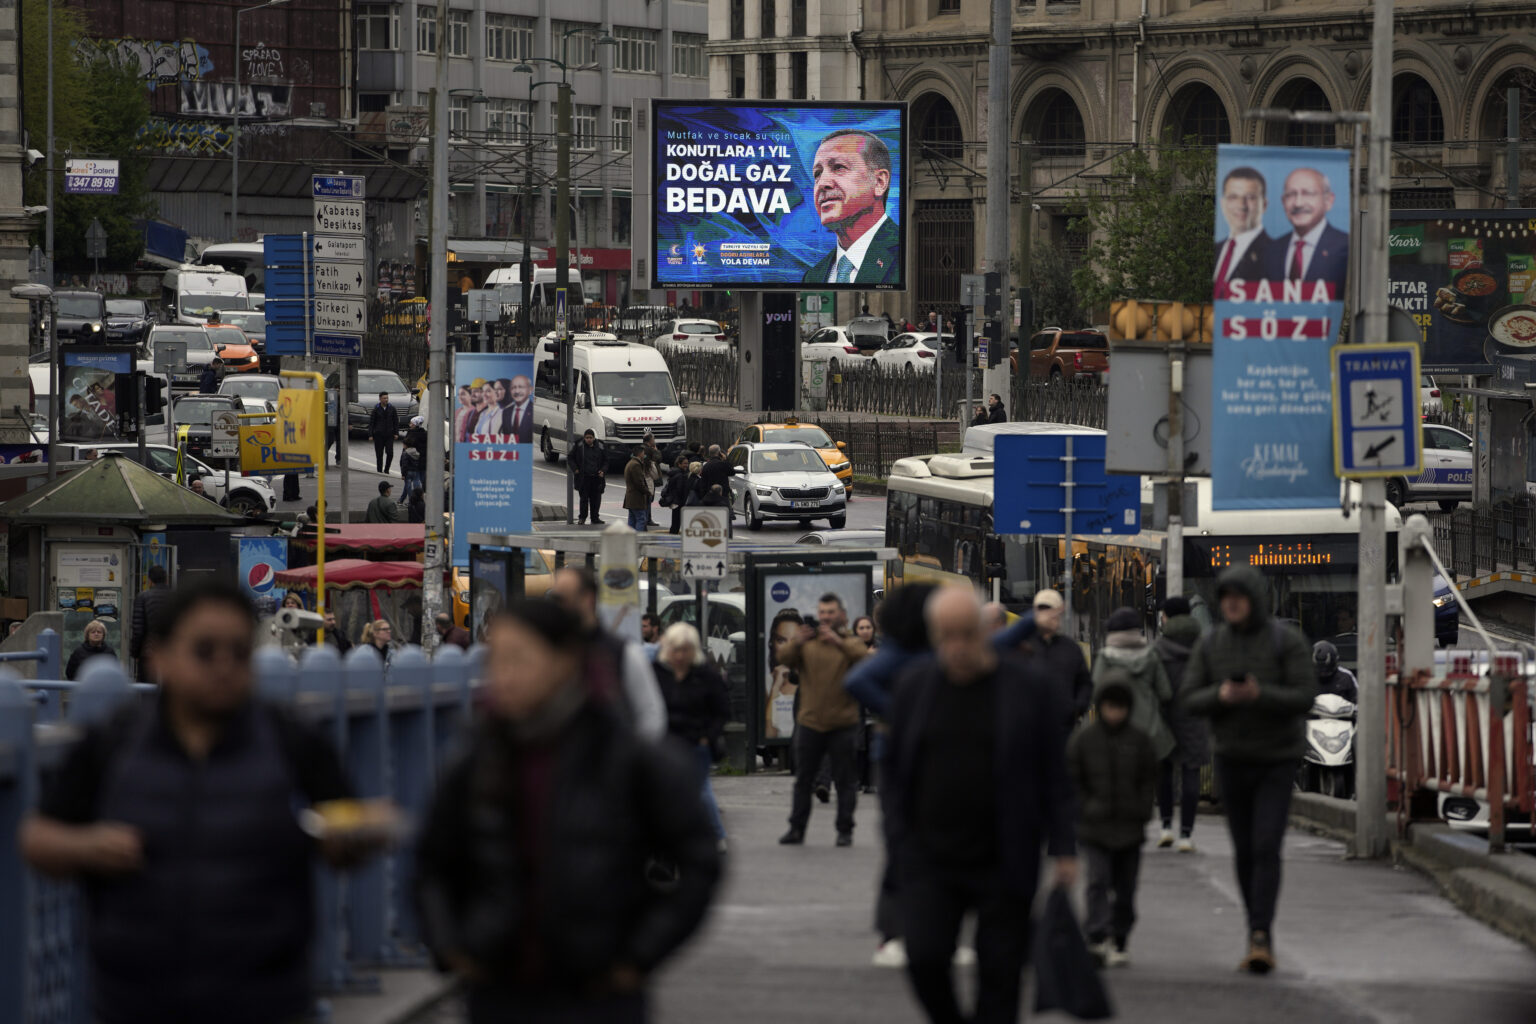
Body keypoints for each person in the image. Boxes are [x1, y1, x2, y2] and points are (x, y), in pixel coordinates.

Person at [21, 580, 362, 1024]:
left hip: (266, 997)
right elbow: (38, 838)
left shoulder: (289, 737)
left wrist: (350, 838)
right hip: (136, 999)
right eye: (204, 651)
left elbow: (348, 824)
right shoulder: (117, 739)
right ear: (161, 655)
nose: (223, 666)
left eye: (239, 652)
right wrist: (88, 847)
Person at [414, 601, 721, 1024]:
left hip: (599, 993)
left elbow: (699, 858)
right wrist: (450, 945)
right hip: (497, 990)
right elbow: (431, 861)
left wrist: (639, 955)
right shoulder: (478, 757)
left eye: (520, 659)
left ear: (565, 662)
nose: (504, 676)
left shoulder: (625, 757)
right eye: (496, 661)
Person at [883, 588, 1076, 1024]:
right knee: (925, 959)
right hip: (930, 858)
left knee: (1001, 976)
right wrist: (898, 837)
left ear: (984, 632)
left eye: (966, 634)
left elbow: (1054, 773)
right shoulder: (914, 686)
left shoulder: (1028, 689)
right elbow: (894, 772)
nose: (957, 647)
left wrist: (1065, 847)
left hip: (1004, 858)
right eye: (946, 636)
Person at [1180, 566, 1315, 974]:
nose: (1232, 604)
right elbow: (1189, 697)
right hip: (1232, 759)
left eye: (1239, 596)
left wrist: (1261, 694)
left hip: (1276, 759)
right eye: (1226, 597)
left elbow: (1305, 695)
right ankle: (1254, 926)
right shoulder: (1211, 643)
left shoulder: (1285, 641)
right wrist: (1221, 695)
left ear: (1254, 599)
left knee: (1266, 845)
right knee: (1243, 850)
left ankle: (1261, 933)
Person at [1068, 675, 1158, 968]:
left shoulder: (1139, 740)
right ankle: (1096, 936)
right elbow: (1073, 780)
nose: (1114, 713)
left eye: (1120, 707)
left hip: (1130, 828)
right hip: (1094, 827)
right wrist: (1083, 808)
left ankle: (1120, 937)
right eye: (1109, 706)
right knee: (1097, 881)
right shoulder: (1085, 740)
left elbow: (1148, 780)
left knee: (1125, 888)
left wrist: (1142, 810)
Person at [778, 593, 869, 847]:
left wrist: (838, 641)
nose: (826, 617)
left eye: (831, 612)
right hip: (810, 722)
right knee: (803, 780)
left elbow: (864, 658)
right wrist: (797, 641)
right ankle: (796, 829)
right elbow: (783, 658)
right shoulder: (808, 643)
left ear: (841, 615)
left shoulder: (849, 642)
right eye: (823, 613)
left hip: (843, 723)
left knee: (845, 781)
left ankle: (845, 830)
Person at [548, 567, 667, 740]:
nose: (556, 607)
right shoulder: (549, 651)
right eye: (554, 599)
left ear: (588, 599)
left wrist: (628, 753)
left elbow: (650, 714)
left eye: (562, 598)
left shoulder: (623, 653)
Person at [653, 622, 731, 852]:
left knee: (700, 788)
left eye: (685, 650)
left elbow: (722, 710)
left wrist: (708, 736)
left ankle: (716, 835)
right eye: (675, 649)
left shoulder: (706, 675)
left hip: (696, 741)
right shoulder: (657, 673)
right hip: (666, 742)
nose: (679, 656)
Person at [805, 129, 900, 285]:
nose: (822, 183)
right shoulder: (813, 277)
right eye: (817, 174)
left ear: (879, 182)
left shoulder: (908, 252)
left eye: (839, 167)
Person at [1091, 606, 1175, 781]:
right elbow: (1166, 693)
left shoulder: (1105, 657)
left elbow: (1096, 693)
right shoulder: (1151, 655)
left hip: (1116, 735)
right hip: (1151, 733)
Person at [1153, 595, 1210, 852]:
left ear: (1165, 617)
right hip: (1195, 717)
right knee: (1191, 773)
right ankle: (1186, 834)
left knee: (1164, 773)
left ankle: (1166, 826)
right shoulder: (1203, 647)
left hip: (1164, 717)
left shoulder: (1158, 648)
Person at [1011, 589, 1092, 728]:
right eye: (1042, 610)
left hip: (1064, 726)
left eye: (1051, 611)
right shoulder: (1022, 646)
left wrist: (1076, 708)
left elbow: (1084, 683)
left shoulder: (1071, 649)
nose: (1047, 616)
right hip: (1029, 728)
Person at [1260, 167, 1349, 290]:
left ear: (1328, 201)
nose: (1298, 203)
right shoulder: (1271, 251)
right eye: (1291, 195)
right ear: (1283, 202)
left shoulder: (1348, 247)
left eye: (1308, 193)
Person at [1213, 166, 1272, 298]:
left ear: (1264, 205)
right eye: (1233, 197)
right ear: (1222, 203)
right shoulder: (1215, 250)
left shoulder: (1276, 255)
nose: (1241, 205)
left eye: (1250, 197)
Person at [129, 564, 170, 679]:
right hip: (170, 654)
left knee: (146, 687)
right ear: (166, 580)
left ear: (150, 580)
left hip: (149, 653)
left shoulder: (143, 597)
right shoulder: (176, 597)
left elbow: (138, 629)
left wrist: (135, 652)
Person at [570, 429, 607, 525]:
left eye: (590, 438)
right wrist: (575, 469)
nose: (589, 439)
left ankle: (595, 518)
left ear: (594, 438)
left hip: (596, 478)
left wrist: (603, 470)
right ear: (584, 438)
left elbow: (606, 460)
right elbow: (570, 458)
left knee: (596, 499)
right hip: (584, 478)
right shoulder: (579, 445)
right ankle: (582, 517)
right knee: (584, 499)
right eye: (587, 438)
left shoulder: (600, 446)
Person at [369, 391, 399, 473]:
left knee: (390, 453)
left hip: (389, 434)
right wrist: (370, 434)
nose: (386, 400)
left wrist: (396, 433)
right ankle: (379, 471)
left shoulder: (392, 408)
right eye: (384, 398)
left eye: (387, 398)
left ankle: (386, 469)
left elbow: (395, 422)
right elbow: (372, 422)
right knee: (379, 454)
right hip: (379, 435)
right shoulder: (376, 409)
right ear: (380, 399)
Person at [659, 456, 690, 534]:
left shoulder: (674, 473)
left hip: (674, 501)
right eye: (684, 463)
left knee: (675, 520)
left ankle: (673, 534)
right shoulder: (680, 475)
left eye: (687, 463)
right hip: (679, 501)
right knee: (677, 521)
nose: (686, 465)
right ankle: (673, 535)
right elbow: (680, 489)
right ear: (679, 464)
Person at [499, 374, 533, 443]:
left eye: (521, 387)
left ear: (530, 390)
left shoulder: (534, 410)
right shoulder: (506, 412)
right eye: (513, 387)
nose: (517, 391)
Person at [623, 446, 650, 532]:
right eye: (643, 453)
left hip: (631, 497)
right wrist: (647, 492)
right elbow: (639, 482)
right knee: (641, 519)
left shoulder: (630, 463)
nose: (644, 455)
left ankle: (630, 537)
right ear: (640, 453)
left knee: (632, 519)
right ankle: (638, 538)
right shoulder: (636, 465)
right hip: (636, 498)